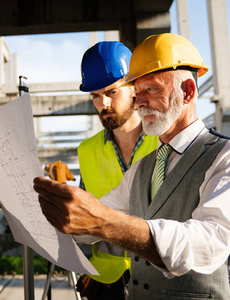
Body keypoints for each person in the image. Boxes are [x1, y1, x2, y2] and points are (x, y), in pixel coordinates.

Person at [33, 33, 230, 299]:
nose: (139, 101)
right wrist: (31, 203)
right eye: (138, 91)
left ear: (187, 91)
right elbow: (88, 220)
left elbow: (208, 244)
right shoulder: (143, 168)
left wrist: (103, 222)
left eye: (151, 89)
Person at [76, 41, 159, 299]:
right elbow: (81, 212)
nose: (103, 103)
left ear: (134, 87)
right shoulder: (86, 151)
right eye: (95, 96)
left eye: (112, 92)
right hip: (106, 284)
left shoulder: (167, 139)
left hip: (160, 280)